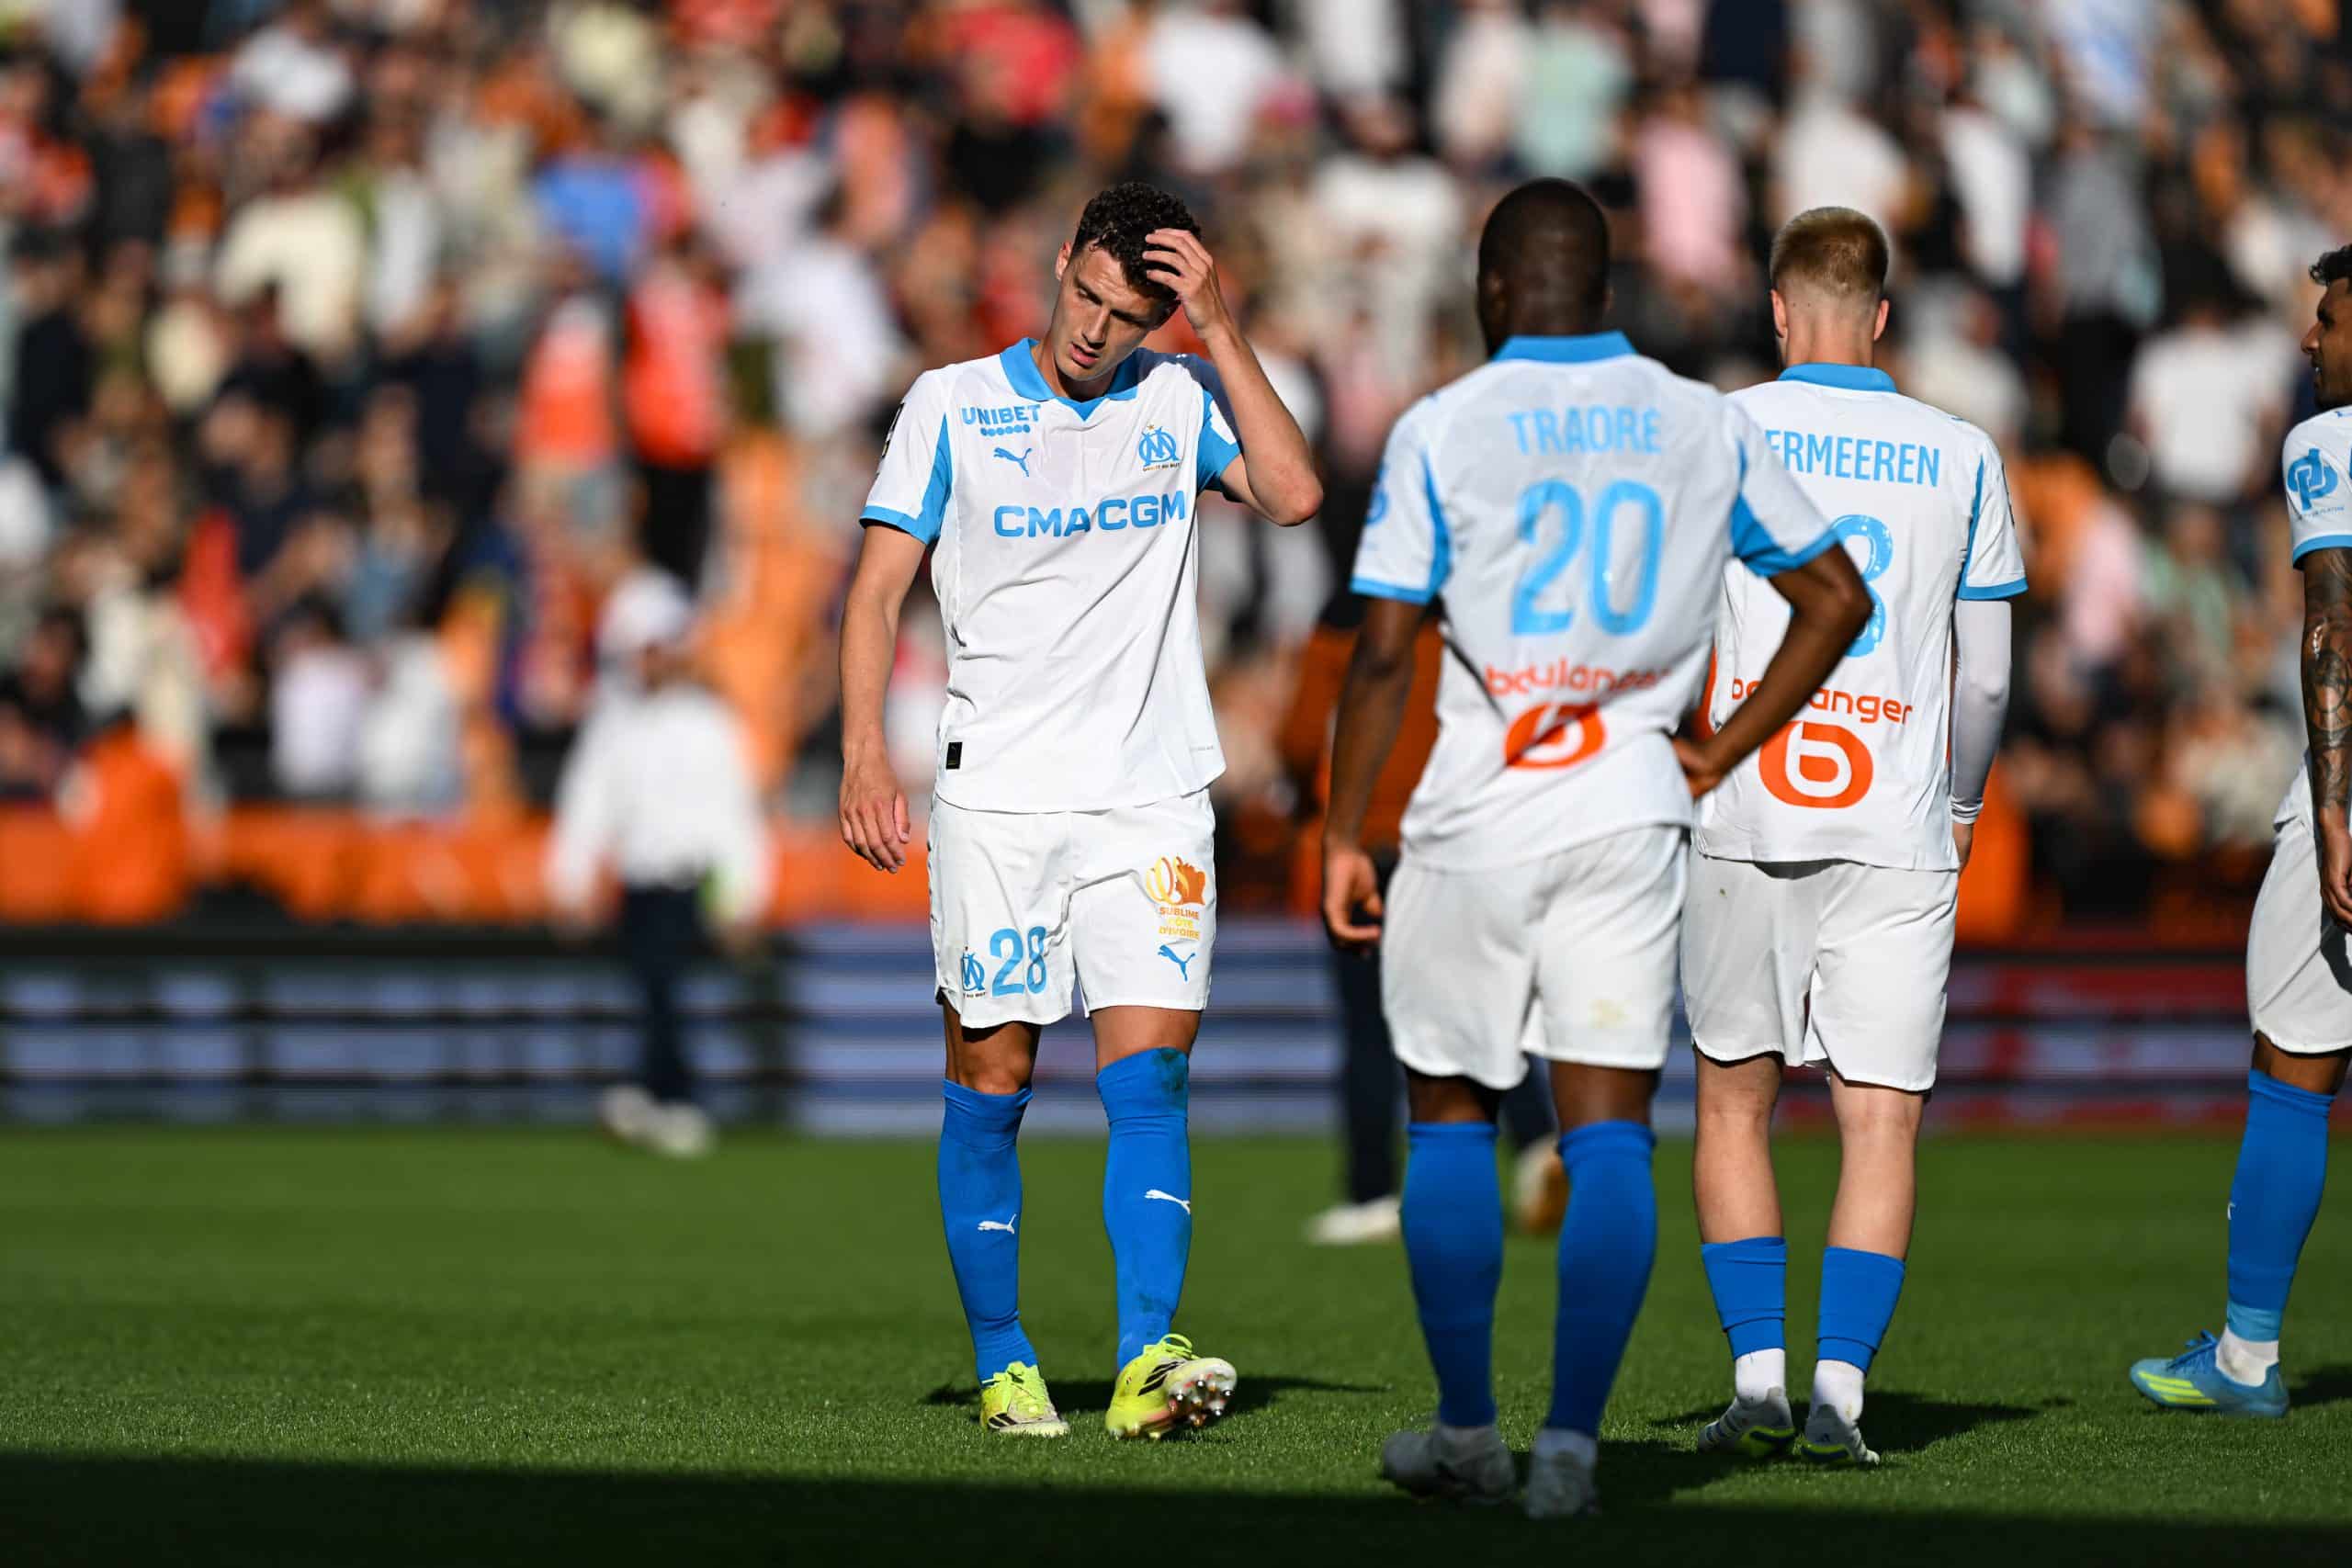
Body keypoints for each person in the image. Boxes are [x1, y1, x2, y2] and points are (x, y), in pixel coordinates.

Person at [1320, 177, 1870, 1517]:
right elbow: (1835, 596)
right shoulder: (1701, 420)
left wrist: (1343, 829)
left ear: (1491, 290)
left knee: (1450, 1113)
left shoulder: (1442, 426)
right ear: (1611, 293)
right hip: (1630, 804)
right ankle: (1570, 1446)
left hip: (1476, 809)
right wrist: (1721, 749)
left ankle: (1468, 1431)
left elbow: (1383, 651)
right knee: (1609, 1132)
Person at [837, 183, 1320, 1439]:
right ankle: (1005, 1364)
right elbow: (876, 588)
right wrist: (864, 752)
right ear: (1059, 264)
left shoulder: (1180, 398)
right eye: (1088, 297)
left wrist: (1219, 328)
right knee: (991, 1078)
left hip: (1148, 798)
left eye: (1130, 315)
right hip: (997, 798)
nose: (1098, 330)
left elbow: (1294, 492)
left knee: (1150, 1080)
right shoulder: (950, 404)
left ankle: (1146, 1358)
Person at [1680, 209, 2027, 1466]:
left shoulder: (1718, 428)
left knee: (1734, 1101)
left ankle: (1756, 1381)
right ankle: (1841, 1393)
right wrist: (1964, 804)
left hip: (1747, 806)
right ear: (1880, 315)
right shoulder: (1963, 451)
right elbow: (1987, 676)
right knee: (1879, 1119)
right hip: (1895, 818)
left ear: (1778, 309)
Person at [2129, 245, 2352, 1417]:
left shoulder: (2330, 444)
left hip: (2349, 788)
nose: (2309, 340)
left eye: (2330, 319)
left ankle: (2247, 1357)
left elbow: (2331, 625)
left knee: (2292, 1058)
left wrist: (2333, 807)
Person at [548, 568, 771, 1159]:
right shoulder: (614, 722)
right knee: (652, 992)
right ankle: (655, 1094)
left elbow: (734, 818)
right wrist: (571, 881)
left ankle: (671, 1097)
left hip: (687, 885)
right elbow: (586, 806)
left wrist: (742, 897)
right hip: (637, 884)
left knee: (666, 992)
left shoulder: (709, 722)